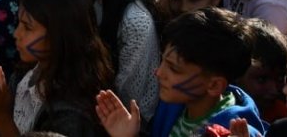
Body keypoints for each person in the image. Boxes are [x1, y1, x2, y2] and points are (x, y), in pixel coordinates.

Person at [0, 0, 114, 137]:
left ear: (59, 35)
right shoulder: (24, 75)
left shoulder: (73, 111)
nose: (17, 34)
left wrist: (0, 117)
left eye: (28, 28)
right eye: (19, 24)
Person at [94, 7, 266, 137]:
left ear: (214, 85)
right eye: (163, 62)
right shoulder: (173, 107)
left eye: (174, 68)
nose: (159, 73)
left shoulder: (233, 133)